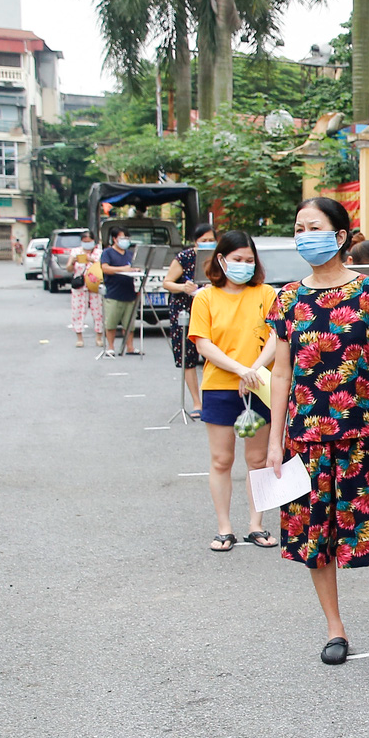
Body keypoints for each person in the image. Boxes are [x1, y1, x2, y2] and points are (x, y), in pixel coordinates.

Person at [262, 197, 369, 664]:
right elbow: (280, 374)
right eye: (297, 228)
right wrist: (275, 441)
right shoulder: (287, 299)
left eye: (312, 227)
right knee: (316, 536)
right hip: (306, 439)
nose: (302, 236)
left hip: (367, 437)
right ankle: (335, 630)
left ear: (339, 237)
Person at [189, 230, 280, 552]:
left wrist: (254, 369)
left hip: (261, 386)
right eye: (237, 260)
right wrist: (239, 369)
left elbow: (277, 336)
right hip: (220, 385)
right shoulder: (205, 297)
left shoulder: (266, 294)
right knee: (221, 459)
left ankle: (256, 525)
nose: (243, 265)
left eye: (249, 260)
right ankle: (224, 528)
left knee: (258, 460)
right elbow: (202, 342)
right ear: (221, 260)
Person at [162, 222, 215, 417]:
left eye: (211, 240)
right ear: (195, 242)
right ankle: (196, 402)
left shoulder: (219, 257)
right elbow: (167, 282)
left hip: (212, 308)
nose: (208, 244)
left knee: (213, 354)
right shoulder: (185, 257)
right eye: (204, 241)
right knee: (187, 356)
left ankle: (212, 400)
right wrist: (183, 287)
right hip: (184, 308)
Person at [100, 227, 141, 355]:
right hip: (113, 292)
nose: (125, 241)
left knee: (129, 323)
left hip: (129, 292)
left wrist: (135, 270)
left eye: (127, 238)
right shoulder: (108, 253)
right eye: (122, 238)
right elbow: (105, 268)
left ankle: (130, 347)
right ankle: (110, 347)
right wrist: (123, 269)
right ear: (114, 239)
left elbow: (135, 267)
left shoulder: (130, 254)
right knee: (111, 322)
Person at [67, 237, 103, 348]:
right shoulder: (76, 252)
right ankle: (79, 337)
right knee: (78, 310)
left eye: (89, 241)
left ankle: (99, 337)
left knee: (99, 311)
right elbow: (68, 268)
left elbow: (103, 267)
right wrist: (73, 262)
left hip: (95, 284)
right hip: (80, 285)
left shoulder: (99, 252)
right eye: (85, 241)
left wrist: (92, 260)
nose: (87, 244)